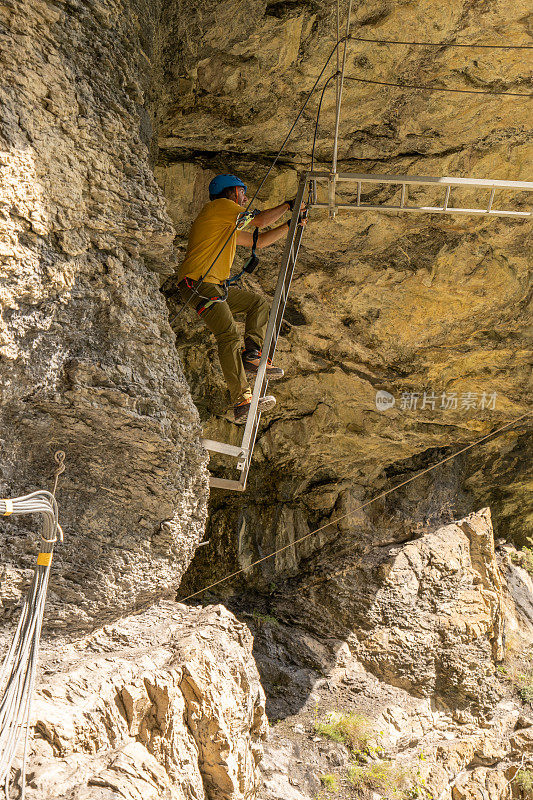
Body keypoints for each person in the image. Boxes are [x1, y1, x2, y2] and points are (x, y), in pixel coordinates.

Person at [176, 174, 306, 424]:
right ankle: (243, 399)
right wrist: (290, 205)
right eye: (242, 192)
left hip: (211, 286)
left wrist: (291, 225)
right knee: (228, 336)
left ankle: (253, 355)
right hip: (199, 284)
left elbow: (260, 241)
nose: (245, 197)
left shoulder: (224, 224)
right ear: (232, 193)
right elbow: (258, 222)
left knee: (257, 303)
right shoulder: (219, 208)